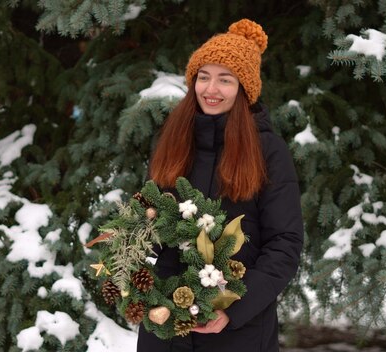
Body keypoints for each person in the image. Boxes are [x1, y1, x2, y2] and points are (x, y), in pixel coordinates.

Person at [139, 19, 304, 352]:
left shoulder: (268, 151)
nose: (210, 90)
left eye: (225, 80)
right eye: (203, 77)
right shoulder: (172, 141)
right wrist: (131, 242)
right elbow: (150, 221)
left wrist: (234, 308)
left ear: (243, 89)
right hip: (166, 324)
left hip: (238, 331)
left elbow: (285, 243)